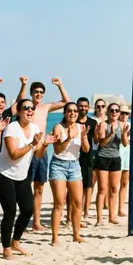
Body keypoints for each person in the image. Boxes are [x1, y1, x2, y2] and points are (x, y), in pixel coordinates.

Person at [0, 99, 51, 259]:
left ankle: (16, 242)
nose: (30, 111)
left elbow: (37, 155)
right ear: (19, 111)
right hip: (3, 174)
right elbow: (14, 154)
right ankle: (6, 248)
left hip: (21, 176)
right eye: (26, 108)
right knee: (10, 211)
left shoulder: (35, 128)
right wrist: (32, 144)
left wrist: (44, 145)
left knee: (28, 209)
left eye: (32, 108)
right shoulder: (12, 128)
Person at [0, 77, 27, 238]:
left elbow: (19, 102)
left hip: (5, 159)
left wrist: (23, 85)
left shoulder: (7, 115)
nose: (0, 104)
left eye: (2, 102)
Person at [28, 78, 70, 232]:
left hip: (42, 151)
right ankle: (24, 219)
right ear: (31, 93)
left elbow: (66, 102)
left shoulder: (45, 108)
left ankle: (36, 222)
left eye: (41, 92)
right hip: (27, 152)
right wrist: (24, 84)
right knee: (25, 188)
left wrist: (60, 85)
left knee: (39, 189)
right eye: (36, 92)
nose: (38, 94)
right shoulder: (26, 106)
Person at [50, 102, 89, 245]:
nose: (72, 113)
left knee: (78, 202)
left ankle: (76, 234)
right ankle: (55, 237)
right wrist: (69, 138)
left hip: (74, 165)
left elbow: (86, 149)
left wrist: (83, 137)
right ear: (65, 113)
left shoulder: (80, 127)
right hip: (59, 165)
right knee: (59, 203)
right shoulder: (58, 128)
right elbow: (58, 150)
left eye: (75, 111)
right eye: (69, 111)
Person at [94, 103, 129, 225]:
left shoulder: (123, 125)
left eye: (116, 110)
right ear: (108, 112)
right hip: (102, 157)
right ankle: (99, 218)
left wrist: (124, 134)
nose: (114, 112)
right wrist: (110, 134)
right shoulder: (103, 124)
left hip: (115, 158)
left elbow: (124, 144)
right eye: (112, 110)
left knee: (114, 188)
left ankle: (112, 216)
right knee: (102, 189)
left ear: (119, 113)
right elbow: (102, 143)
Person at [76, 97, 98, 220]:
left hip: (88, 157)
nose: (83, 108)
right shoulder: (72, 120)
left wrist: (99, 134)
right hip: (73, 157)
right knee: (74, 187)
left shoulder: (93, 122)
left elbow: (96, 141)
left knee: (88, 186)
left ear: (88, 108)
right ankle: (72, 214)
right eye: (80, 106)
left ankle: (86, 211)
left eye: (85, 106)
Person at [117, 104, 131, 217]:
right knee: (113, 184)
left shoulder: (131, 125)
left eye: (126, 113)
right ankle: (108, 205)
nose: (124, 115)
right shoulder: (115, 125)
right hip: (117, 155)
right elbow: (123, 141)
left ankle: (120, 208)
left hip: (127, 156)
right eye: (122, 113)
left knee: (124, 183)